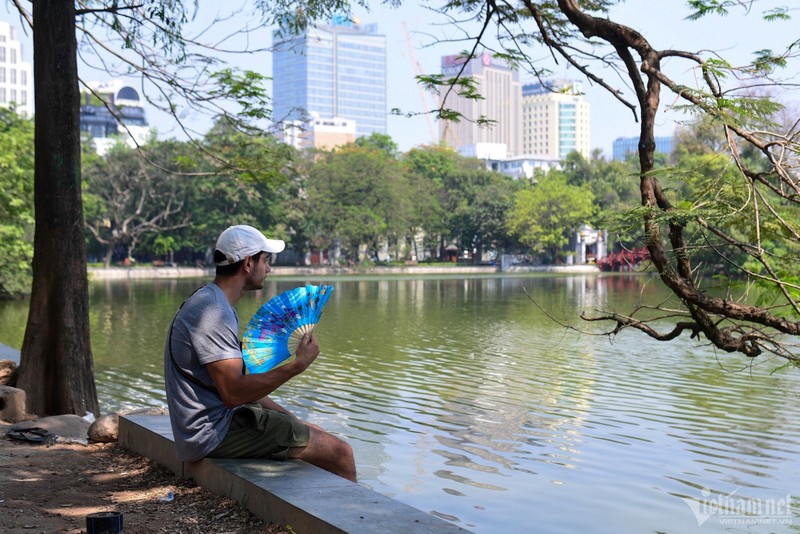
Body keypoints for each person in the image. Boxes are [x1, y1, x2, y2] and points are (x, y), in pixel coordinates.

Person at [164, 224, 356, 482]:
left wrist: (294, 420)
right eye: (265, 260)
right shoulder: (214, 313)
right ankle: (348, 521)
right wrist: (297, 366)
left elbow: (239, 388)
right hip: (213, 434)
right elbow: (234, 394)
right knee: (340, 453)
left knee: (314, 434)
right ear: (247, 264)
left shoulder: (210, 301)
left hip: (215, 424)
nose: (268, 268)